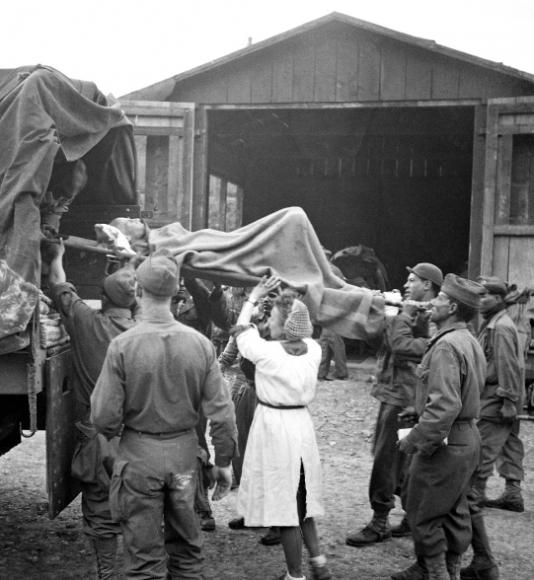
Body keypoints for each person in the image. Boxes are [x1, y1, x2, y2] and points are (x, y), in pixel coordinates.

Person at [91, 250, 237, 580]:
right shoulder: (201, 345)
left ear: (139, 293)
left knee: (143, 563)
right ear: (176, 294)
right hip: (186, 457)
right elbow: (223, 414)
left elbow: (103, 417)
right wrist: (224, 463)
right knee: (187, 555)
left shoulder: (123, 345)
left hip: (139, 458)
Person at [46, 239, 136, 579]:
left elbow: (58, 285)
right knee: (141, 509)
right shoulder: (144, 333)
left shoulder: (87, 322)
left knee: (100, 512)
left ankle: (107, 574)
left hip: (97, 440)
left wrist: (57, 254)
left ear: (104, 298)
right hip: (139, 441)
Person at [234, 276, 331, 580]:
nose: (270, 321)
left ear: (285, 324)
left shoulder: (266, 353)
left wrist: (253, 297)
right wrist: (282, 303)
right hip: (301, 425)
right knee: (302, 498)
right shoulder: (314, 350)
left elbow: (241, 331)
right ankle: (318, 562)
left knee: (286, 506)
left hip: (275, 427)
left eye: (275, 317)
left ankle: (295, 575)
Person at [392, 274, 486, 580]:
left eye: (441, 298)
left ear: (454, 307)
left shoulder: (446, 346)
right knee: (454, 511)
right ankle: (451, 571)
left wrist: (415, 440)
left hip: (444, 441)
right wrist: (417, 411)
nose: (433, 302)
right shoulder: (467, 339)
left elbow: (445, 406)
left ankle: (438, 574)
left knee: (424, 512)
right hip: (466, 438)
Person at [346, 262, 443, 549]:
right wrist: (385, 313)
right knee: (400, 459)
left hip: (405, 397)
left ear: (428, 285)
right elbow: (385, 345)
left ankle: (380, 521)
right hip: (396, 392)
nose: (406, 285)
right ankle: (410, 518)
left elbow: (410, 347)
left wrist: (401, 317)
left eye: (413, 280)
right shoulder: (412, 311)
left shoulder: (435, 315)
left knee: (387, 458)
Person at [474, 276, 525, 512]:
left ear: (496, 299)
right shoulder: (495, 322)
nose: (479, 300)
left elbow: (507, 366)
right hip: (504, 395)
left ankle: (475, 494)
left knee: (485, 445)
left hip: (498, 396)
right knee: (509, 442)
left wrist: (507, 401)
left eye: (484, 295)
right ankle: (513, 493)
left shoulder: (500, 327)